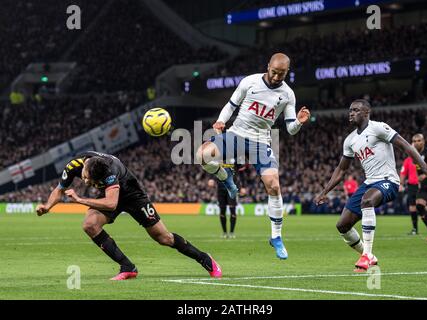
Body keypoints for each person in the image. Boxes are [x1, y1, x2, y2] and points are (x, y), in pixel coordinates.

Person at [36, 151, 222, 280]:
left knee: (164, 238)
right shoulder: (74, 165)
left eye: (90, 181)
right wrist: (47, 206)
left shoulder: (110, 170)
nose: (85, 181)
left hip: (133, 196)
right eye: (85, 177)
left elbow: (111, 203)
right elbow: (60, 189)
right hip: (109, 194)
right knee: (90, 224)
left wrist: (79, 199)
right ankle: (128, 267)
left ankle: (204, 258)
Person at [196, 53, 311, 260]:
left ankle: (276, 237)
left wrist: (300, 122)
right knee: (202, 155)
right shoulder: (250, 81)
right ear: (268, 66)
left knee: (274, 185)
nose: (277, 77)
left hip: (261, 142)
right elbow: (231, 105)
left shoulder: (288, 95)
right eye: (274, 72)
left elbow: (291, 129)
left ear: (287, 72)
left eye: (281, 74)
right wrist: (221, 121)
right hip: (236, 134)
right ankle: (226, 178)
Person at [314, 99, 427, 272]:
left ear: (366, 112)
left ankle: (366, 255)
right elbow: (341, 169)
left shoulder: (379, 127)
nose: (351, 113)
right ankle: (369, 255)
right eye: (350, 110)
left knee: (367, 201)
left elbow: (406, 146)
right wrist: (325, 191)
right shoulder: (350, 140)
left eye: (356, 110)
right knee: (342, 225)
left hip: (388, 180)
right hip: (369, 182)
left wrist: (426, 169)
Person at [399, 156, 420, 235]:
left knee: (425, 206)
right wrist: (401, 184)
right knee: (412, 207)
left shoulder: (422, 157)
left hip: (422, 185)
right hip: (412, 186)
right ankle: (415, 229)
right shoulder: (408, 160)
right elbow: (403, 172)